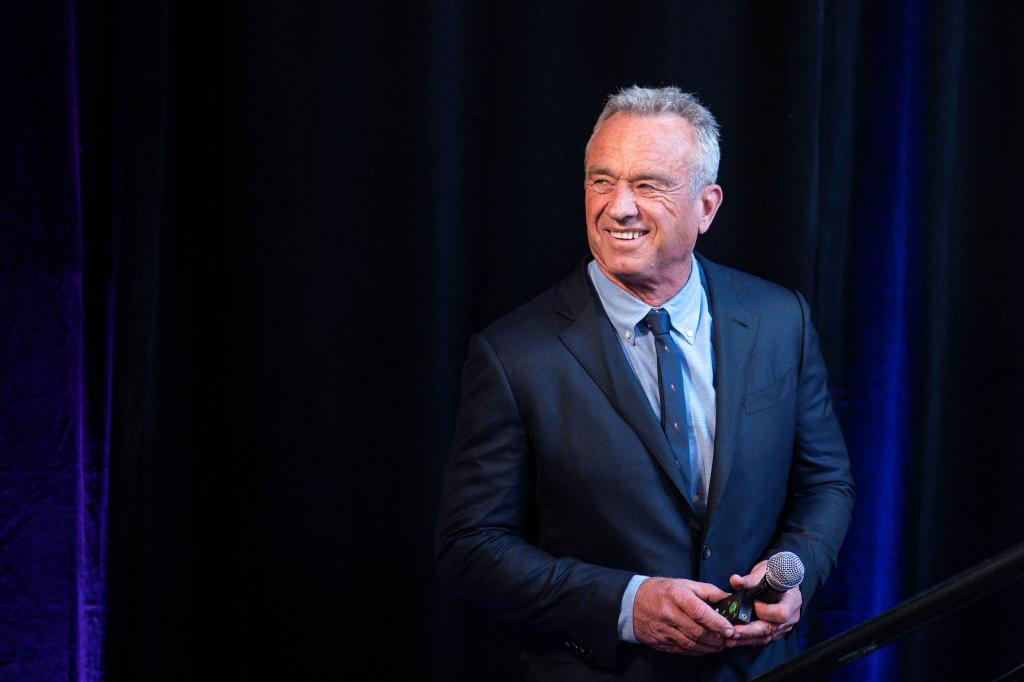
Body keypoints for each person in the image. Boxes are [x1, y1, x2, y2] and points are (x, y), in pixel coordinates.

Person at [435, 86, 855, 681]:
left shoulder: (779, 319)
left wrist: (794, 570)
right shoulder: (513, 354)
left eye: (649, 185)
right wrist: (628, 604)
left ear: (707, 207)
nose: (619, 207)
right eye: (601, 181)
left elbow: (826, 485)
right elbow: (470, 547)